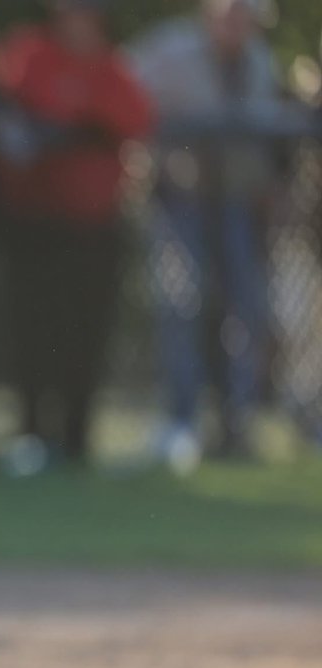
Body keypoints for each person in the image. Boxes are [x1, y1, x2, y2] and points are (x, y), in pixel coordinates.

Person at [127, 0, 294, 470]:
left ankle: (236, 422)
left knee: (248, 311)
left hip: (240, 206)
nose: (240, 24)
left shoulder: (260, 59)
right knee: (183, 304)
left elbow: (272, 133)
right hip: (181, 201)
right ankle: (181, 421)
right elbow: (124, 93)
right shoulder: (170, 50)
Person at [0, 0, 151, 474]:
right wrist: (68, 126)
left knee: (87, 331)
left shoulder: (111, 66)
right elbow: (9, 108)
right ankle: (33, 434)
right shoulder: (31, 53)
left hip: (95, 227)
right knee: (33, 329)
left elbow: (134, 118)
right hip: (35, 223)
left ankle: (78, 437)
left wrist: (71, 123)